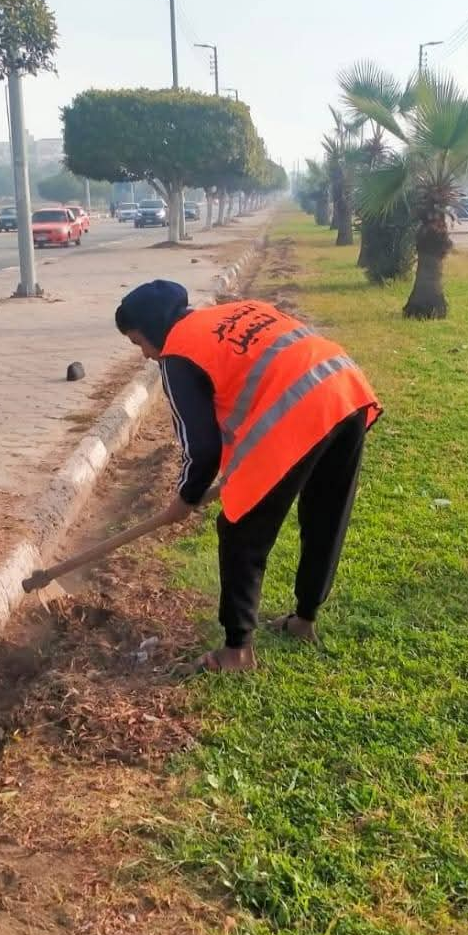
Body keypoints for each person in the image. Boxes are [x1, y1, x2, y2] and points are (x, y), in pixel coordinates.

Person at [115, 280, 382, 673]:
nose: (144, 354)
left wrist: (186, 497)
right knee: (326, 514)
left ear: (154, 329)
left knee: (240, 528)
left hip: (299, 412)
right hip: (345, 388)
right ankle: (304, 619)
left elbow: (201, 449)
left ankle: (237, 651)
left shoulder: (178, 354)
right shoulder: (229, 311)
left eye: (139, 342)